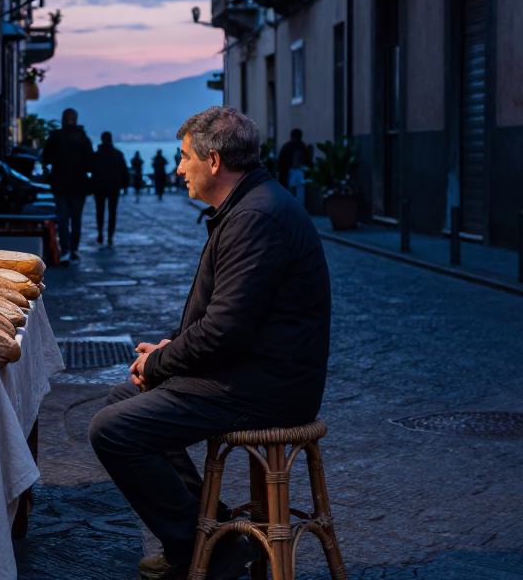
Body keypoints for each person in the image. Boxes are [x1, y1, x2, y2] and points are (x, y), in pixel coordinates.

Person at [89, 107, 331, 580]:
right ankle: (212, 537)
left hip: (264, 388)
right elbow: (227, 317)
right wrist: (170, 349)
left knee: (113, 429)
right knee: (124, 399)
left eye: (185, 157)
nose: (178, 168)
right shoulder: (250, 205)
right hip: (250, 371)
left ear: (213, 160)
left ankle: (205, 547)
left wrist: (161, 363)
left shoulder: (256, 216)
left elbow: (224, 331)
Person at [40, 108, 94, 264]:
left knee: (63, 218)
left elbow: (46, 157)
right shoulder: (83, 138)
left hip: (60, 184)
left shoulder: (55, 137)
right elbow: (91, 163)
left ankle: (66, 249)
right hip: (78, 185)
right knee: (76, 218)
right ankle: (73, 249)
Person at [91, 131, 129, 245]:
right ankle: (110, 236)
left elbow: (91, 169)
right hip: (114, 187)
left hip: (99, 186)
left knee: (100, 211)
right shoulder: (118, 154)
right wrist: (124, 185)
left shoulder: (96, 155)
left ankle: (100, 233)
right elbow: (124, 171)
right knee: (112, 213)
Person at [277, 128, 310, 206]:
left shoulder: (286, 146)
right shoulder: (302, 146)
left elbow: (281, 161)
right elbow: (307, 160)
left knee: (290, 191)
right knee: (300, 192)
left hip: (289, 172)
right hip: (300, 172)